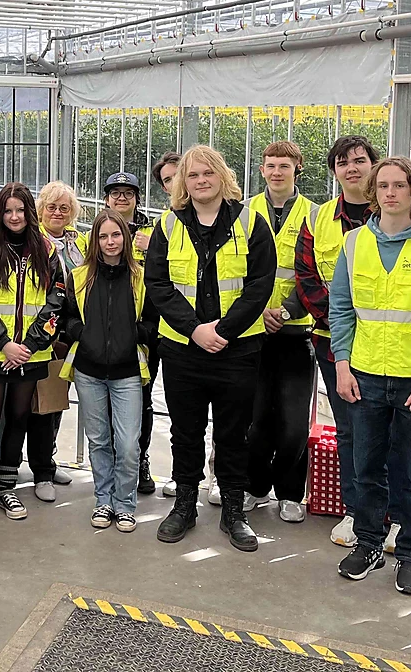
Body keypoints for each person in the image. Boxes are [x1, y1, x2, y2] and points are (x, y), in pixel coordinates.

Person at [330, 157, 411, 596]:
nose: (390, 192)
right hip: (364, 376)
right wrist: (343, 364)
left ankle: (410, 555)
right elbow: (341, 309)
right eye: (383, 185)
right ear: (373, 192)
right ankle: (368, 544)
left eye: (399, 185)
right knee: (365, 469)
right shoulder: (354, 244)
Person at [144, 145, 275, 552]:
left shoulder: (251, 222)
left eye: (208, 173)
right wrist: (195, 330)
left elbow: (260, 284)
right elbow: (158, 285)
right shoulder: (168, 224)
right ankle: (185, 504)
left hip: (238, 348)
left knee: (234, 432)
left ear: (222, 176)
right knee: (185, 431)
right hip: (183, 349)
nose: (201, 180)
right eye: (193, 175)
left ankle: (234, 510)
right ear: (183, 183)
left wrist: (225, 330)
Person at [294, 135, 384, 550]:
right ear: (334, 171)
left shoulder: (396, 213)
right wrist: (343, 323)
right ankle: (356, 511)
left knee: (390, 431)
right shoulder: (318, 220)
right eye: (343, 162)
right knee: (349, 429)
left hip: (390, 345)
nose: (352, 168)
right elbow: (307, 277)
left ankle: (393, 515)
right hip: (333, 344)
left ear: (373, 165)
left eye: (359, 160)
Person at [0, 183, 66, 529]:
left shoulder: (47, 250)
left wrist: (30, 345)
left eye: (20, 210)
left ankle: (7, 487)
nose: (14, 216)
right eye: (8, 210)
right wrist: (4, 343)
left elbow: (57, 301)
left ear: (30, 212)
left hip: (30, 355)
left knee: (19, 419)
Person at [60, 210, 155, 533]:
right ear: (95, 241)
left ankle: (125, 503)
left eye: (116, 235)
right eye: (103, 236)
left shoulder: (141, 278)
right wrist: (83, 334)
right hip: (89, 371)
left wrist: (133, 336)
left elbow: (153, 321)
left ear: (125, 239)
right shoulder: (80, 277)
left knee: (128, 444)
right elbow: (66, 318)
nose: (110, 242)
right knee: (99, 440)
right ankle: (104, 500)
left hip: (128, 372)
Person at [245, 141, 317, 524]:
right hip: (252, 333)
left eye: (284, 165)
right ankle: (255, 488)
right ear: (261, 170)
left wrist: (286, 311)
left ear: (297, 168)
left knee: (293, 424)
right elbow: (236, 271)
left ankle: (290, 492)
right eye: (270, 165)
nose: (276, 172)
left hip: (296, 333)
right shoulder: (244, 212)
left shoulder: (314, 216)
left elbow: (314, 274)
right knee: (255, 420)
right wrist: (258, 312)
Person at [30, 180, 87, 501]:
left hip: (72, 333)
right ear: (41, 210)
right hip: (44, 334)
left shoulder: (78, 243)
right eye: (51, 207)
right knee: (41, 404)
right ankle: (40, 471)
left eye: (64, 208)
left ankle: (49, 461)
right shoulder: (34, 243)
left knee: (56, 402)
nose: (58, 213)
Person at [145, 153, 179, 497]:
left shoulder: (233, 219)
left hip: (219, 332)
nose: (175, 183)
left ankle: (220, 478)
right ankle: (182, 477)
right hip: (168, 330)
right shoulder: (165, 223)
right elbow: (158, 282)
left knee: (225, 414)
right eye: (167, 180)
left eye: (178, 174)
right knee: (180, 412)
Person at [104, 171, 152, 260]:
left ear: (137, 199)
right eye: (115, 193)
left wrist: (152, 249)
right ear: (107, 200)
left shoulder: (153, 233)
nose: (122, 198)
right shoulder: (94, 234)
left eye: (128, 193)